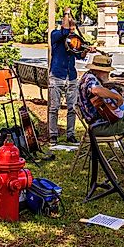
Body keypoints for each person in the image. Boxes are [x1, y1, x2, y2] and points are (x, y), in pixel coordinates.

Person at [48, 8, 91, 145]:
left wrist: (86, 50)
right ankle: (53, 135)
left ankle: (70, 134)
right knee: (54, 107)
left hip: (71, 76)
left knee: (72, 108)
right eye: (70, 27)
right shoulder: (55, 35)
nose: (71, 31)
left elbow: (80, 56)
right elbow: (64, 31)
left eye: (73, 28)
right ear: (64, 25)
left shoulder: (74, 40)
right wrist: (66, 14)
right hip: (57, 76)